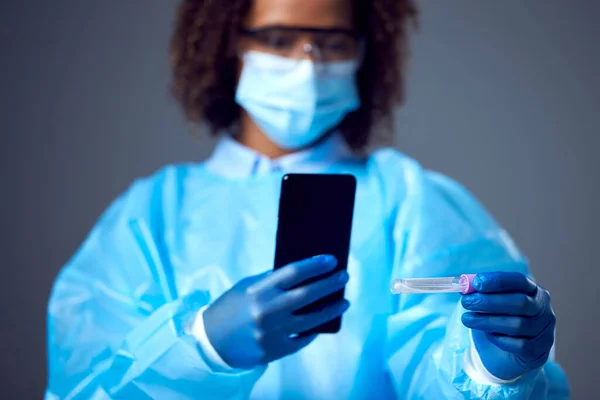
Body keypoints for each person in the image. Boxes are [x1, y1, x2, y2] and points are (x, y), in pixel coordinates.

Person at [45, 0, 570, 399]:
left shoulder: (413, 200)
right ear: (227, 44)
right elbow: (82, 384)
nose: (307, 62)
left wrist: (493, 369)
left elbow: (440, 366)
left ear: (366, 51)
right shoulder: (151, 215)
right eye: (278, 39)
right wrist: (202, 348)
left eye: (333, 42)